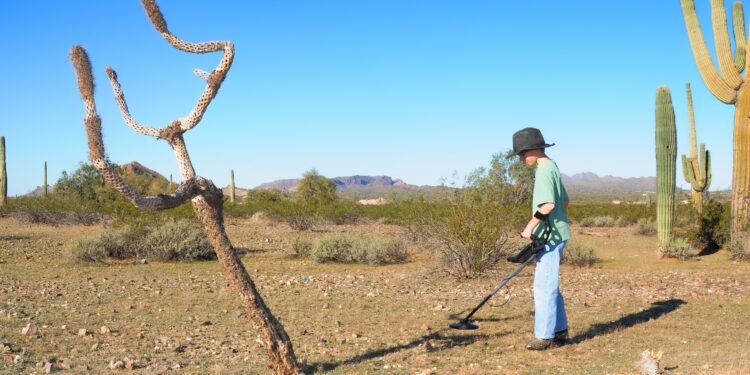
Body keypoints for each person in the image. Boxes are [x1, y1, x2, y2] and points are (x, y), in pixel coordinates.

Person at [512, 127, 571, 351]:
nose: (521, 158)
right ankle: (560, 331)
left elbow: (549, 204)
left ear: (535, 149)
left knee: (543, 287)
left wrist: (529, 228)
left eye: (522, 153)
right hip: (557, 233)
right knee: (550, 284)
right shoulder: (552, 166)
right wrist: (558, 221)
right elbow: (565, 201)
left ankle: (544, 337)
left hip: (551, 236)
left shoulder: (544, 170)